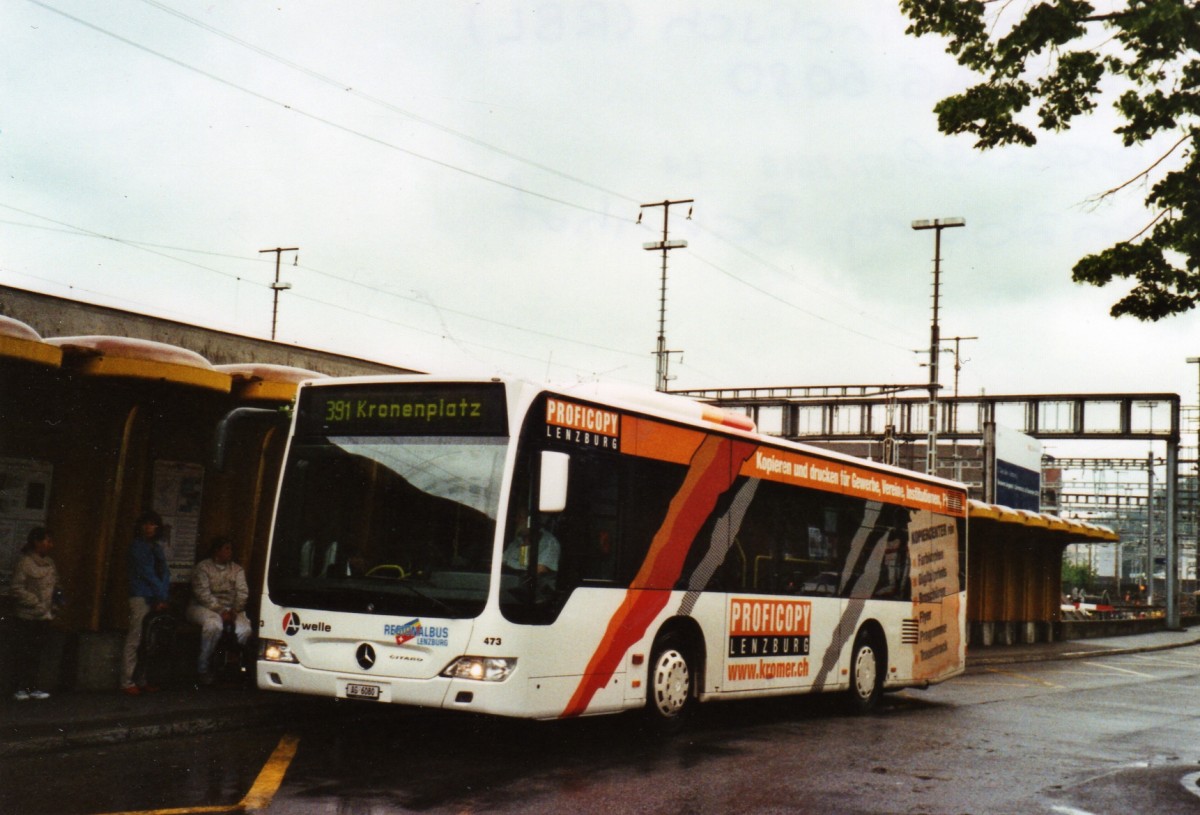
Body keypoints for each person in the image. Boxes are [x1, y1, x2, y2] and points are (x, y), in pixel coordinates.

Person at [186, 537, 251, 684]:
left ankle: (231, 664)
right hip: (203, 607)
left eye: (231, 549)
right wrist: (221, 611)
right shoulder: (203, 567)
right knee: (214, 626)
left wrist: (235, 609)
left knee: (244, 630)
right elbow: (202, 593)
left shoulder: (237, 569)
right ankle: (203, 668)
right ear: (217, 550)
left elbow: (242, 592)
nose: (229, 552)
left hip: (231, 609)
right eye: (226, 548)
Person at [121, 510, 171, 696]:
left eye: (153, 524)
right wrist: (161, 595)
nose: (149, 527)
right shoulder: (137, 547)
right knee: (136, 638)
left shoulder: (156, 548)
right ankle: (127, 680)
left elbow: (164, 572)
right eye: (146, 524)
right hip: (141, 596)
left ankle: (141, 679)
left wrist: (162, 595)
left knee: (148, 641)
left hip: (155, 596)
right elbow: (147, 573)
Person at [10, 527, 60, 701]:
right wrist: (35, 602)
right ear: (36, 542)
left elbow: (55, 586)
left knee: (37, 653)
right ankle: (19, 687)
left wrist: (54, 603)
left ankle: (32, 687)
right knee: (24, 652)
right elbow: (17, 588)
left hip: (44, 615)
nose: (50, 545)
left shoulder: (50, 563)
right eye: (47, 541)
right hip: (27, 615)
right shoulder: (25, 562)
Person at [502, 506, 561, 579]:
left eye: (520, 517)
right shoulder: (516, 542)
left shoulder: (549, 542)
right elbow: (502, 563)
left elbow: (539, 571)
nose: (516, 520)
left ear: (530, 521)